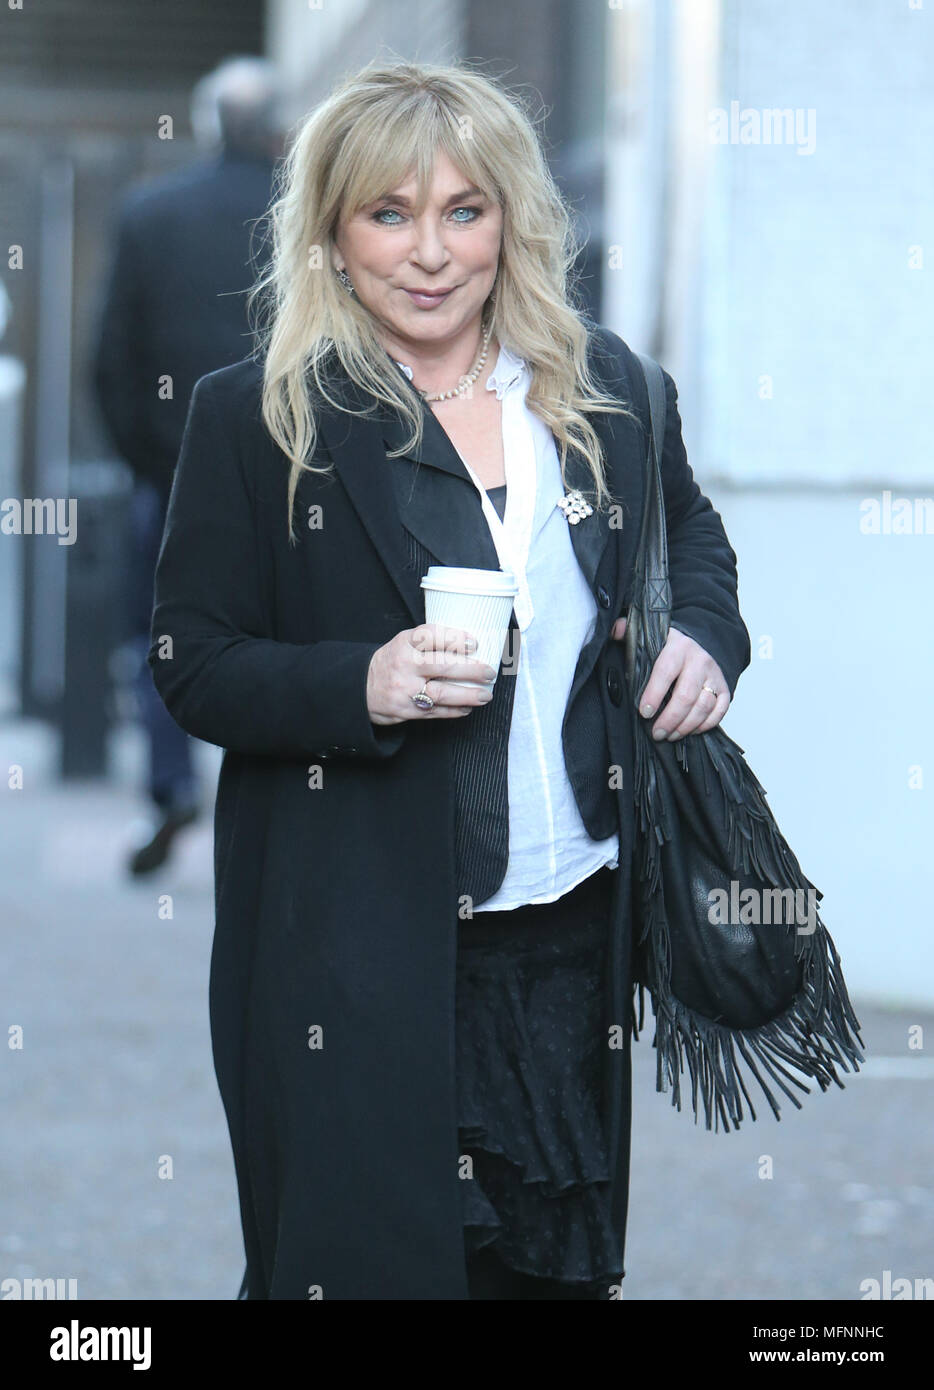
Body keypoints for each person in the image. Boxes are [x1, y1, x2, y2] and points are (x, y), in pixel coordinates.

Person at [148, 58, 751, 1300]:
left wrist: (704, 636)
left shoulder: (607, 392)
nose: (430, 253)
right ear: (330, 233)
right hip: (353, 948)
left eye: (463, 212)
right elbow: (191, 661)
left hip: (570, 938)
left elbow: (689, 536)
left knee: (552, 1275)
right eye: (389, 215)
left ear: (510, 221)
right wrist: (356, 684)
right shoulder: (256, 419)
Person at [92, 56, 283, 875]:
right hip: (292, 472)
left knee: (160, 637)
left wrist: (150, 461)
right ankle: (279, 805)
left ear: (208, 125)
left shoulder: (150, 214)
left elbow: (110, 361)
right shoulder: (305, 219)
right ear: (280, 127)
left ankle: (170, 787)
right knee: (284, 632)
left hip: (171, 475)